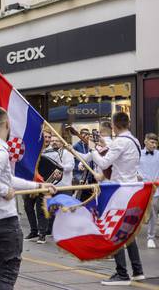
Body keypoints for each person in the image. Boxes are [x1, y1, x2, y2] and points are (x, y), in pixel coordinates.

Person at [0, 107, 56, 290]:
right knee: (7, 275)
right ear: (7, 124)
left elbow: (7, 178)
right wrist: (4, 191)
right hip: (4, 221)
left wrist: (39, 186)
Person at [86, 112, 145, 286]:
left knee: (114, 230)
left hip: (119, 190)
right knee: (128, 231)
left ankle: (122, 273)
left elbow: (104, 164)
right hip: (131, 188)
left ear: (114, 125)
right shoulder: (134, 141)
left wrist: (91, 149)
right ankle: (137, 270)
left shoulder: (120, 142)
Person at [23, 129, 52, 243]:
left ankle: (42, 233)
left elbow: (59, 168)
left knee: (41, 209)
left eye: (49, 137)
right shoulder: (33, 150)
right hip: (30, 183)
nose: (47, 139)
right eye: (45, 137)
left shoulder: (53, 152)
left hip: (45, 184)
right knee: (28, 208)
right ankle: (33, 231)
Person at [137, 133, 159, 249]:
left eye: (156, 143)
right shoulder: (138, 154)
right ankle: (133, 235)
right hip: (142, 188)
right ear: (145, 141)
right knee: (138, 213)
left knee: (153, 213)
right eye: (152, 142)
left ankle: (151, 237)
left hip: (156, 189)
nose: (154, 145)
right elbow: (133, 168)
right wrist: (137, 175)